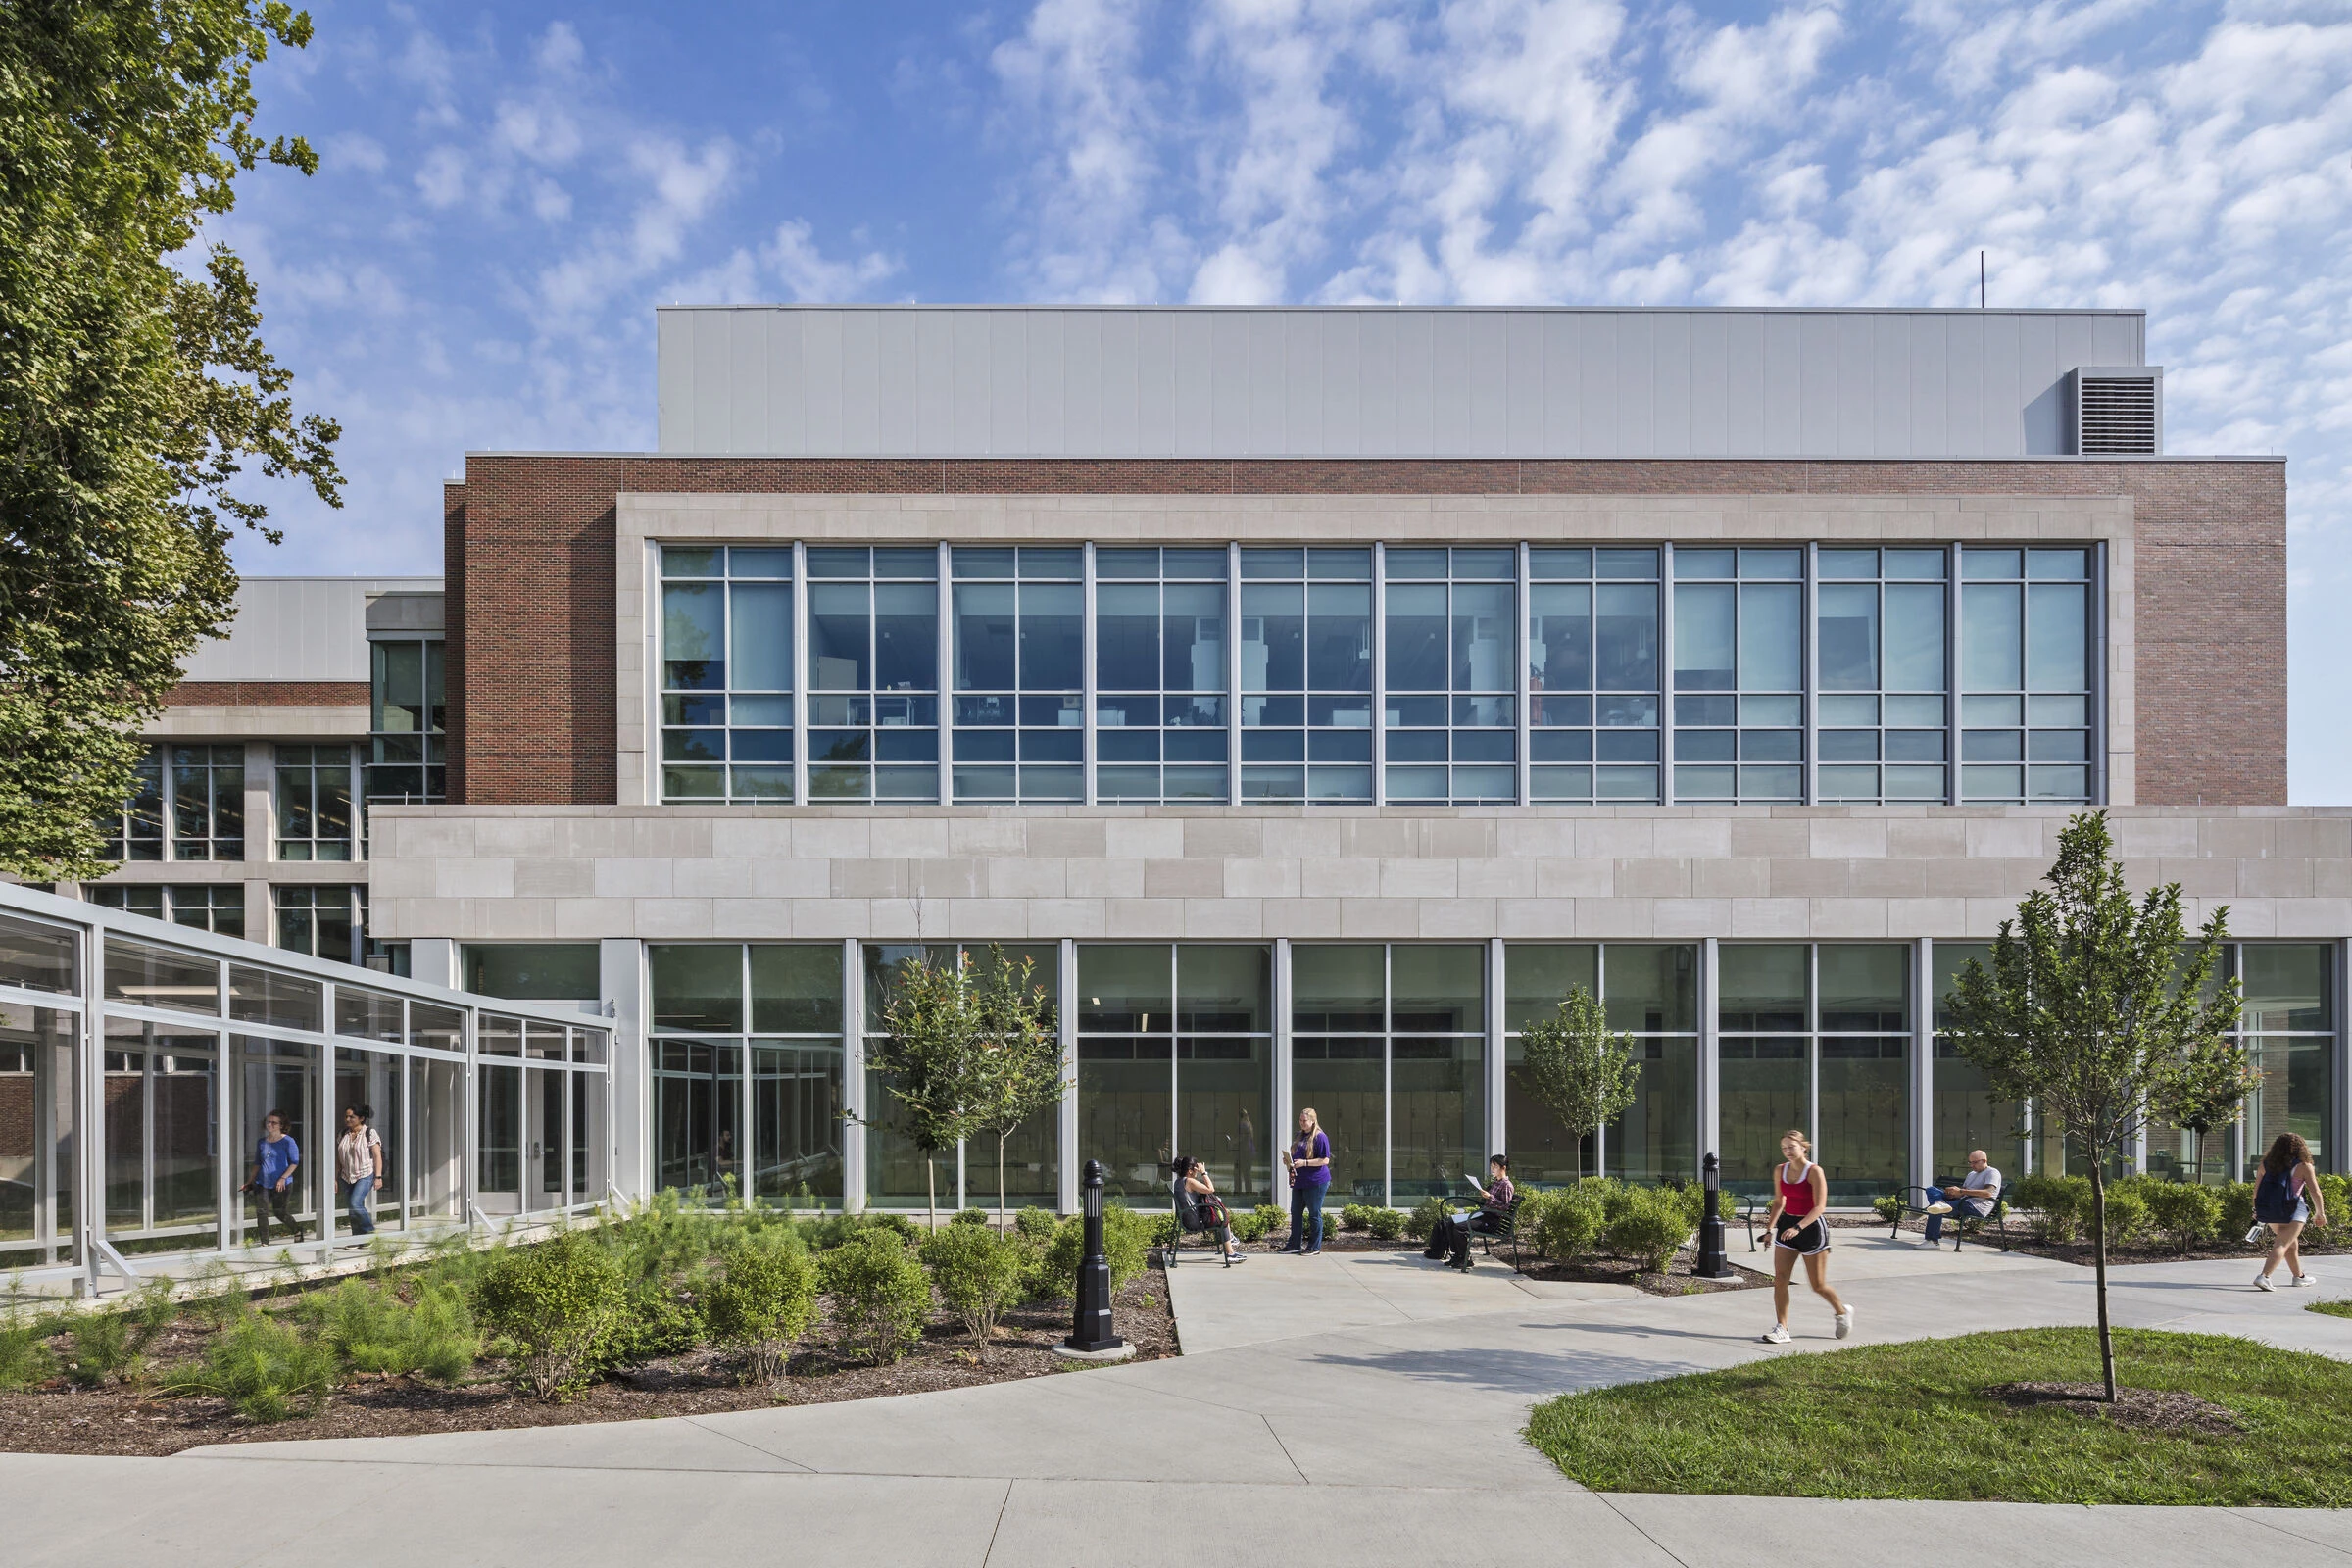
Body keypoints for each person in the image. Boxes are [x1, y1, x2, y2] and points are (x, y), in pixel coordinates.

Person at [1759, 1130, 1852, 1344]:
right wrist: (1769, 1229)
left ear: (1803, 1147)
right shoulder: (1780, 1170)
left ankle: (1841, 1312)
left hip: (1811, 1228)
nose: (1787, 1151)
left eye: (1791, 1147)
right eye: (1783, 1148)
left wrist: (1799, 1228)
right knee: (1780, 1279)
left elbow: (1820, 1206)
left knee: (1817, 1285)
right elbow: (1778, 1202)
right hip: (1787, 1226)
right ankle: (1782, 1328)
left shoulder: (1814, 1171)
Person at [2253, 1131, 2328, 1291]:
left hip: (2271, 1211)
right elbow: (2315, 1191)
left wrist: (2256, 1210)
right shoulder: (2303, 1166)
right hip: (2294, 1211)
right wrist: (2319, 1212)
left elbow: (2256, 1192)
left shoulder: (2266, 1164)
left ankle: (2299, 1277)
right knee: (2282, 1244)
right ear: (2301, 1148)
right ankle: (2264, 1276)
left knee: (2290, 1244)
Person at [1425, 1154, 1515, 1271]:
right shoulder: (1496, 1183)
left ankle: (1465, 1259)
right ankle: (1458, 1256)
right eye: (1491, 1166)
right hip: (1483, 1216)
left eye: (1495, 1166)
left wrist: (1490, 1197)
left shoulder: (1507, 1185)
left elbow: (1504, 1206)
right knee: (1450, 1223)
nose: (1492, 1168)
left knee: (1459, 1228)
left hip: (1491, 1221)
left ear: (1503, 1168)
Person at [1171, 1154, 1246, 1263]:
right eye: (1196, 1168)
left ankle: (1230, 1237)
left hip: (1186, 1219)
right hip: (1194, 1223)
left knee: (1219, 1211)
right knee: (1222, 1219)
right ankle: (1230, 1254)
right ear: (1190, 1171)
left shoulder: (1178, 1181)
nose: (1197, 1171)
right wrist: (1204, 1173)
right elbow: (1211, 1189)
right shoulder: (1189, 1182)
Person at [1921, 1149, 2002, 1246]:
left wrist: (1961, 1191)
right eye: (1970, 1163)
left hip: (1976, 1207)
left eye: (1975, 1163)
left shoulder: (1992, 1172)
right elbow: (1962, 1192)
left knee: (1936, 1209)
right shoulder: (1971, 1174)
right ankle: (1940, 1203)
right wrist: (1953, 1193)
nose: (1972, 1166)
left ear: (1984, 1161)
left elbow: (1988, 1193)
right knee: (1931, 1189)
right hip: (1964, 1201)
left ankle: (1933, 1242)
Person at [244, 1110, 303, 1245]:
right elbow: (257, 1163)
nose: (270, 1125)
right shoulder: (261, 1142)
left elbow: (294, 1162)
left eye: (274, 1122)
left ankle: (297, 1230)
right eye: (268, 1122)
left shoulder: (288, 1141)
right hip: (262, 1183)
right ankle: (264, 1242)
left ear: (282, 1125)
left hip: (282, 1183)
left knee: (280, 1212)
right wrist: (250, 1181)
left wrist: (283, 1178)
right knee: (261, 1212)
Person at [1280, 1107, 1333, 1255]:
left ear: (1313, 1120)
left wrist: (1305, 1163)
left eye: (1305, 1121)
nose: (1302, 1123)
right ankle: (1294, 1245)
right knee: (1295, 1212)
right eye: (1300, 1120)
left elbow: (1325, 1160)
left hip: (1316, 1181)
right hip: (1300, 1180)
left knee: (1314, 1214)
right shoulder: (1299, 1136)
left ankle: (1314, 1247)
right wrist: (1288, 1161)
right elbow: (1296, 1155)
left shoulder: (1320, 1137)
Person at [338, 1104, 387, 1237]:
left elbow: (377, 1156)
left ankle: (371, 1233)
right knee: (352, 1209)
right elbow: (338, 1157)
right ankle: (357, 1238)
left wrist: (378, 1177)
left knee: (355, 1203)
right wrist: (334, 1178)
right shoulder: (343, 1134)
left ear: (361, 1118)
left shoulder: (369, 1132)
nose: (347, 1119)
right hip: (346, 1176)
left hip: (365, 1174)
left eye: (351, 1117)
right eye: (346, 1116)